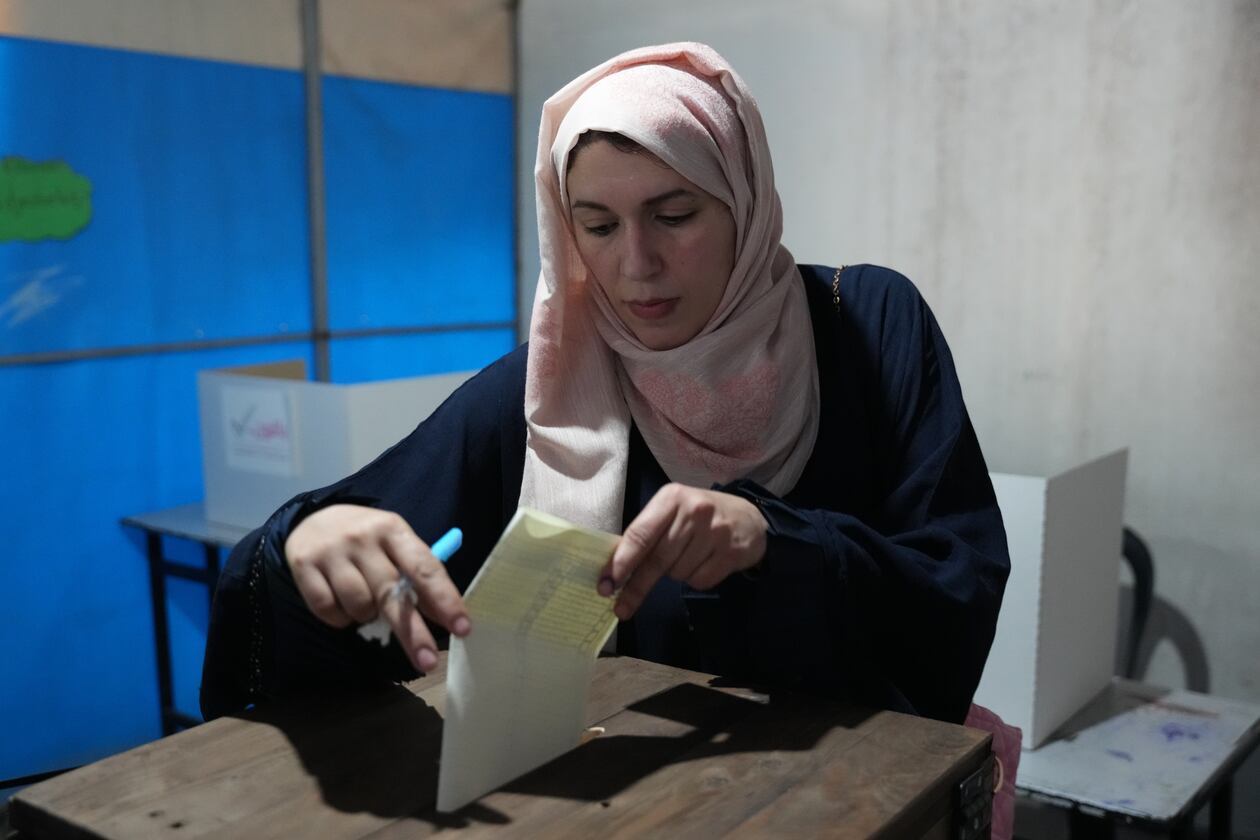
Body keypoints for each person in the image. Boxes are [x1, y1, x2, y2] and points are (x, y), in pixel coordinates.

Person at [200, 42, 1010, 729]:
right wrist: (305, 545)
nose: (636, 265)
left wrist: (774, 540)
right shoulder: (554, 391)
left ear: (745, 200)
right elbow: (339, 573)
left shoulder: (867, 323)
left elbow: (957, 588)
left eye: (675, 214)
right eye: (597, 226)